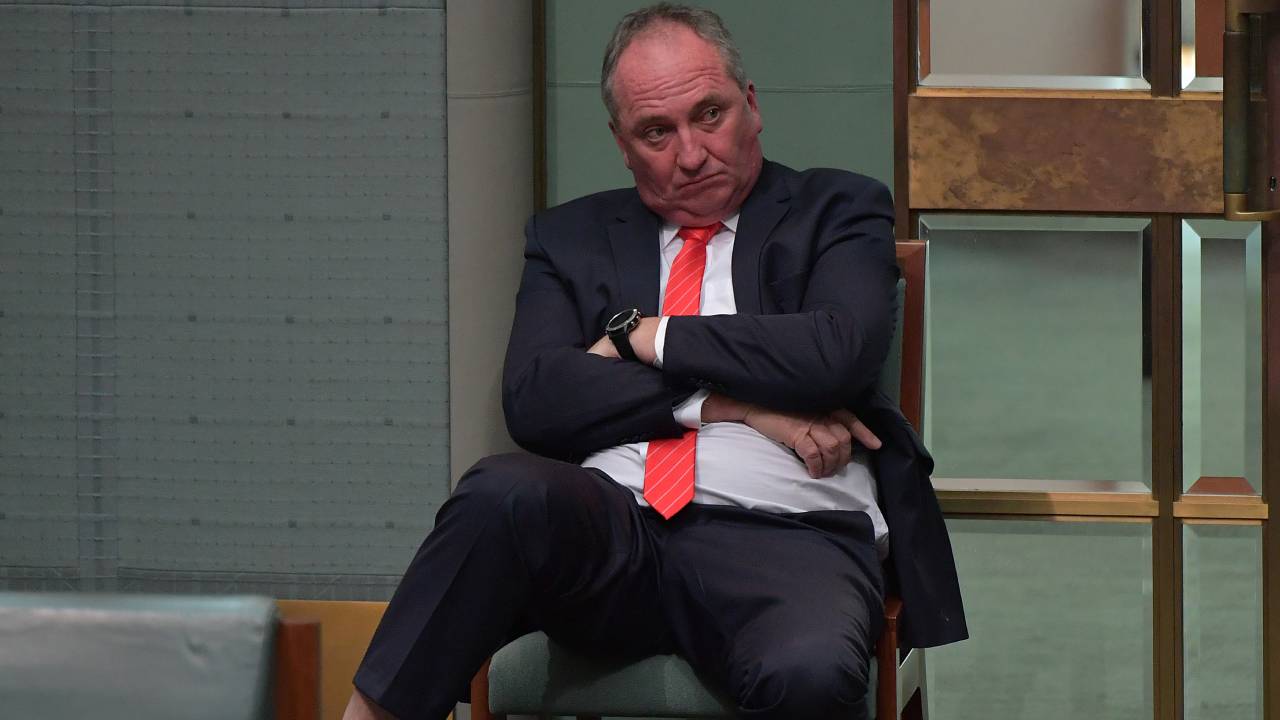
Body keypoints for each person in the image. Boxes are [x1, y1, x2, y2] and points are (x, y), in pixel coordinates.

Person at [344, 5, 966, 720]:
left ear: (751, 104)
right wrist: (737, 407)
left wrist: (646, 336)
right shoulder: (571, 238)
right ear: (622, 143)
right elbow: (538, 398)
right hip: (612, 531)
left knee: (811, 670)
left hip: (787, 535)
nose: (692, 154)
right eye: (656, 132)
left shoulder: (835, 209)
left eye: (710, 114)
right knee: (499, 493)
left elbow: (833, 355)